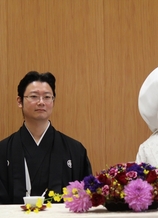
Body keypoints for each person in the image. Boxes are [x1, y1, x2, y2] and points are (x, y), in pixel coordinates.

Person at [0, 71, 92, 204]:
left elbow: (85, 198)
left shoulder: (75, 150)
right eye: (34, 96)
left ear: (53, 101)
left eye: (47, 97)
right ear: (19, 101)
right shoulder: (3, 150)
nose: (41, 102)